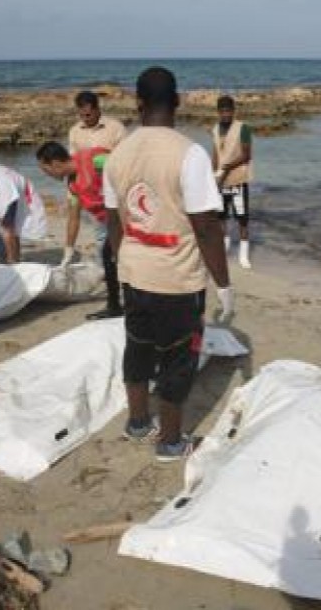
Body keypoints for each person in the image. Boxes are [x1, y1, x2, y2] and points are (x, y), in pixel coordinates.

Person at [105, 66, 234, 462]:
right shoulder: (189, 154)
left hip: (134, 274)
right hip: (177, 280)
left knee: (138, 347)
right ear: (177, 101)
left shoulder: (118, 153)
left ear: (138, 103)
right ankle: (171, 442)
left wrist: (123, 262)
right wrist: (224, 285)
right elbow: (206, 227)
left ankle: (137, 422)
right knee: (178, 358)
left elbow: (113, 221)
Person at [36, 140, 122, 319]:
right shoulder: (73, 184)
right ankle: (115, 305)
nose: (47, 176)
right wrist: (68, 251)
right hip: (110, 223)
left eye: (46, 170)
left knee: (113, 257)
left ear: (55, 164)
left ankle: (119, 305)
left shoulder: (95, 160)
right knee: (109, 258)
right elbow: (73, 217)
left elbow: (127, 164)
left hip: (127, 216)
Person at [211, 95, 254, 269]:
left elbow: (246, 155)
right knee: (221, 217)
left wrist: (227, 168)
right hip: (220, 180)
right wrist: (212, 175)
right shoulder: (215, 129)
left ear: (234, 111)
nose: (226, 114)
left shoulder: (243, 128)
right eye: (222, 111)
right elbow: (215, 154)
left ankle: (243, 256)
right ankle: (225, 249)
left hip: (237, 179)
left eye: (229, 111)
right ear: (218, 112)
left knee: (242, 219)